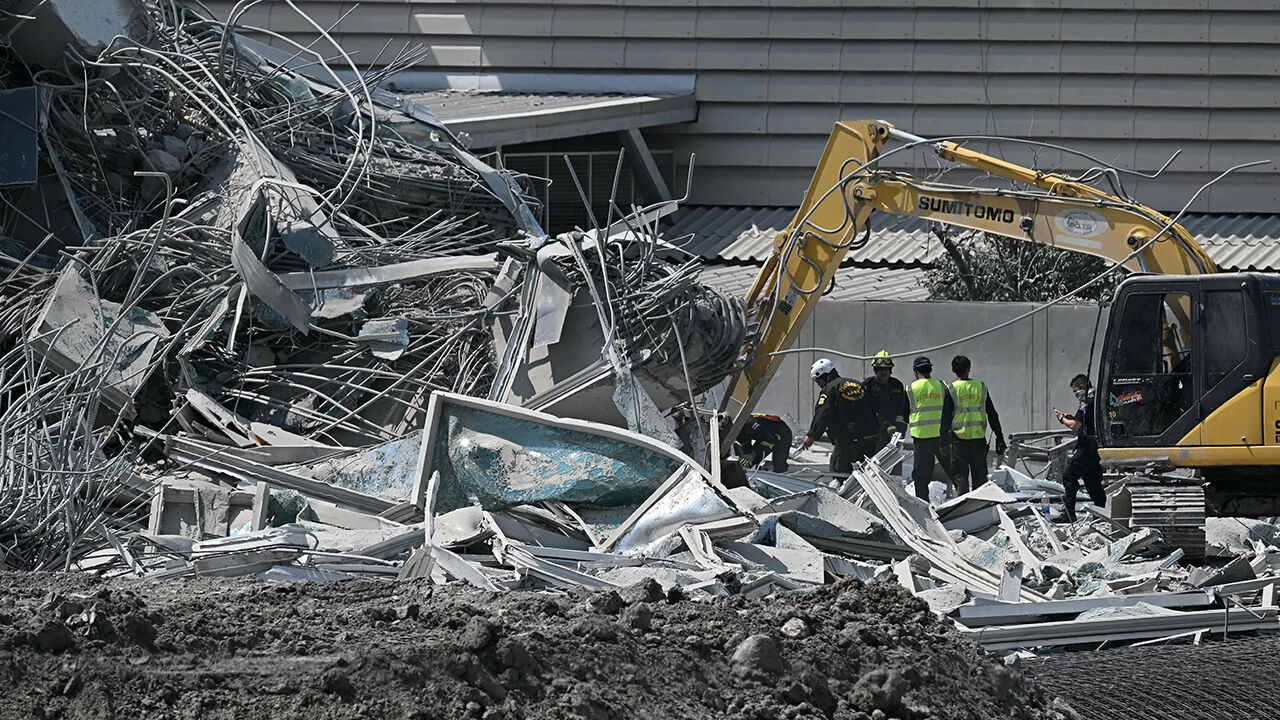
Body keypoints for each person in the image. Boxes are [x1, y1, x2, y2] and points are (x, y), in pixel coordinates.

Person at [801, 358, 881, 474]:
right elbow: (873, 408)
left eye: (818, 380)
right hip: (871, 437)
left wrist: (812, 435)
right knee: (866, 473)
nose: (818, 384)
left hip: (850, 438)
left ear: (824, 375)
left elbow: (823, 413)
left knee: (838, 469)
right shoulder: (859, 385)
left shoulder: (830, 389)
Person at [947, 355, 1007, 495]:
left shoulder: (951, 389)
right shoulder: (981, 387)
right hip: (978, 443)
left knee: (961, 479)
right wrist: (999, 436)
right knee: (980, 482)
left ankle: (962, 512)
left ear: (953, 370)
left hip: (958, 442)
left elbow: (945, 417)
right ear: (969, 369)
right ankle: (980, 511)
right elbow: (992, 414)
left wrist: (943, 440)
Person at [1053, 373, 1107, 523]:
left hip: (1086, 448)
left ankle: (1069, 514)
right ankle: (1101, 513)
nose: (1076, 395)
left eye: (1076, 391)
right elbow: (1080, 420)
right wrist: (1071, 418)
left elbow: (1076, 425)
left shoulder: (1086, 402)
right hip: (1095, 448)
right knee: (1092, 481)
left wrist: (1061, 419)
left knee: (1069, 476)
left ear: (1082, 387)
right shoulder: (1097, 399)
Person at [907, 356, 953, 501]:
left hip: (922, 440)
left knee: (921, 478)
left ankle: (924, 510)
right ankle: (966, 503)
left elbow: (903, 414)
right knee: (955, 472)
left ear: (915, 371)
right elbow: (950, 410)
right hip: (942, 438)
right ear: (930, 370)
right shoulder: (942, 386)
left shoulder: (910, 389)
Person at [864, 350, 909, 452]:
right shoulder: (868, 385)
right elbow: (868, 410)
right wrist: (887, 425)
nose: (884, 372)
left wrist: (900, 430)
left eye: (886, 369)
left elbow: (901, 410)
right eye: (880, 369)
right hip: (874, 433)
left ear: (891, 370)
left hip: (893, 434)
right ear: (875, 370)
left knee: (894, 462)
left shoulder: (897, 385)